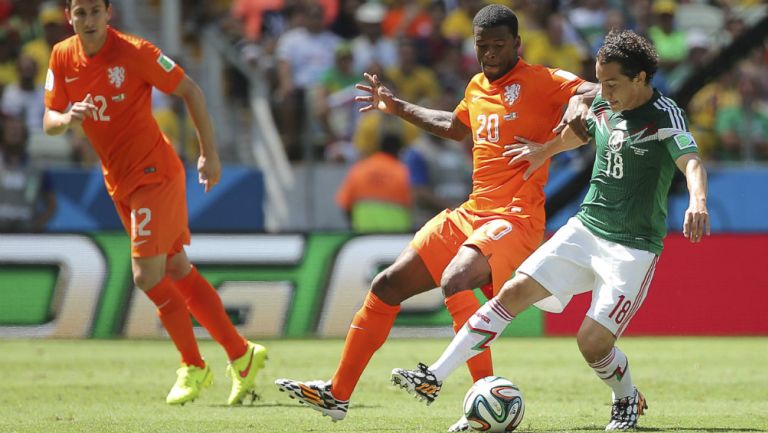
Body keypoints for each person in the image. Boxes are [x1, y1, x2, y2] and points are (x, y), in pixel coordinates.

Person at [275, 4, 597, 431]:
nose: (490, 55)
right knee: (386, 285)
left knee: (455, 280)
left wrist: (580, 102)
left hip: (516, 217)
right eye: (483, 47)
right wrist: (397, 107)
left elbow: (597, 89)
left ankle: (483, 396)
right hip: (473, 212)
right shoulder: (477, 86)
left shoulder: (542, 80)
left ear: (517, 45)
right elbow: (454, 125)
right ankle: (338, 393)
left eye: (499, 46)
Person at [390, 29, 710, 431]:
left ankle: (626, 397)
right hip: (585, 229)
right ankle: (434, 375)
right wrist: (545, 150)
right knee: (512, 293)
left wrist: (697, 201)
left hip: (633, 247)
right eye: (600, 80)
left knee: (591, 342)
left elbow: (692, 161)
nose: (605, 90)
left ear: (641, 79)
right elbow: (580, 128)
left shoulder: (664, 114)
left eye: (612, 83)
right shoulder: (605, 103)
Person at [42, 0, 267, 406]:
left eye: (96, 11)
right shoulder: (61, 56)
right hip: (120, 182)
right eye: (80, 13)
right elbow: (49, 119)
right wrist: (68, 118)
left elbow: (191, 91)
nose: (88, 21)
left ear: (109, 13)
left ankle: (193, 366)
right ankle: (241, 354)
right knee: (176, 268)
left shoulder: (135, 52)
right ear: (69, 16)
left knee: (147, 276)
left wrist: (209, 154)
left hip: (154, 174)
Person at [336, 133, 412, 233]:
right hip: (396, 237)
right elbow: (413, 204)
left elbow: (345, 204)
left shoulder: (360, 169)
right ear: (398, 150)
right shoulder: (403, 171)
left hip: (363, 236)